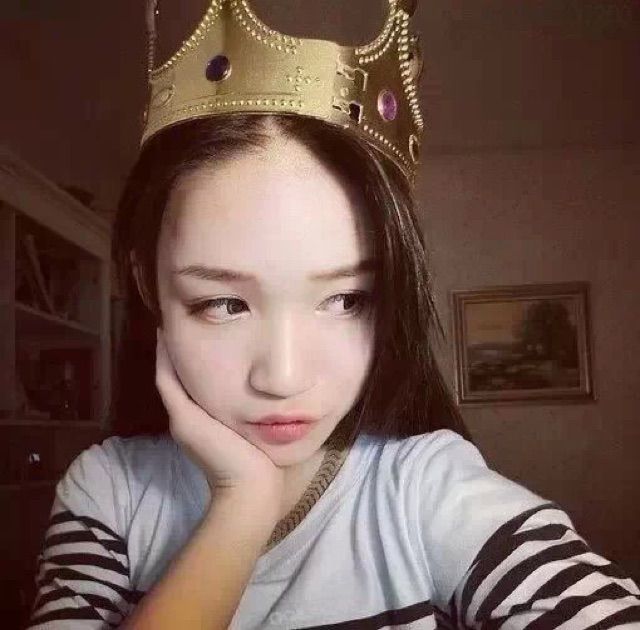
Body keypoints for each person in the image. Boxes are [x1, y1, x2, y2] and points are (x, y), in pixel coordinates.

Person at [27, 1, 640, 628]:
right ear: (147, 285)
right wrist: (241, 508)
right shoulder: (109, 491)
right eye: (224, 303)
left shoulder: (425, 488)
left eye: (346, 300)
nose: (284, 377)